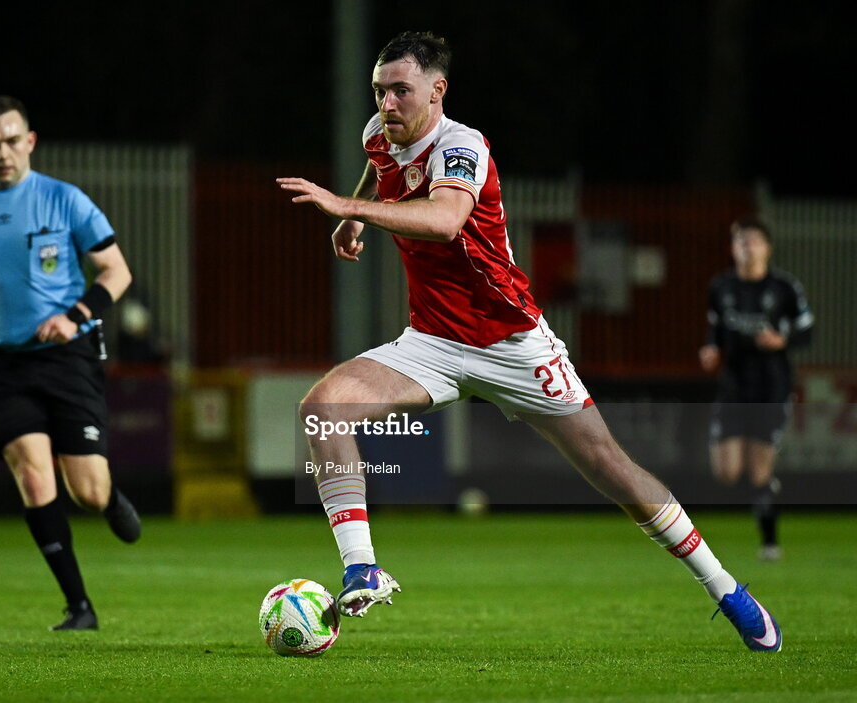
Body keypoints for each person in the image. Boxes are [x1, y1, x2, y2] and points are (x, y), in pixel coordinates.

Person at [278, 31, 781, 652]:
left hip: (512, 341)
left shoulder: (462, 147)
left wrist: (340, 204)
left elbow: (443, 221)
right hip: (431, 340)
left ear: (437, 91)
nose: (387, 103)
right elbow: (380, 167)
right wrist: (356, 214)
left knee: (614, 470)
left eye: (401, 91)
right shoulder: (378, 135)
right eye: (380, 90)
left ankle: (727, 588)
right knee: (323, 411)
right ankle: (362, 570)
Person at [0, 96, 141, 631]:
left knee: (86, 491)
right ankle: (79, 607)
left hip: (68, 355)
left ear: (30, 141)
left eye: (10, 140)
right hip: (2, 364)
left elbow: (116, 272)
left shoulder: (64, 199)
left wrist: (75, 315)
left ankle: (109, 496)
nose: (2, 152)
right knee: (32, 472)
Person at [700, 218, 814, 562]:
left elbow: (807, 332)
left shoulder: (784, 288)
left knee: (759, 471)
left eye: (753, 241)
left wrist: (783, 340)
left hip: (771, 385)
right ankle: (767, 490)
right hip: (734, 385)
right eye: (740, 242)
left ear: (767, 247)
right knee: (727, 472)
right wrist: (710, 350)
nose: (746, 247)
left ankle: (769, 541)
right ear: (733, 248)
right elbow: (715, 329)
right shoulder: (720, 286)